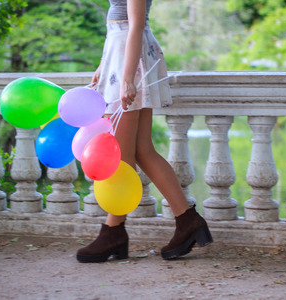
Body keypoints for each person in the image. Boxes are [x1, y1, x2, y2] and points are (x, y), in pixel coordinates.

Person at [76, 0, 213, 263]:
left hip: (130, 59)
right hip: (123, 55)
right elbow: (119, 24)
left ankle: (113, 232)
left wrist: (127, 78)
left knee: (120, 157)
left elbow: (136, 24)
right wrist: (104, 64)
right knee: (141, 150)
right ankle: (188, 220)